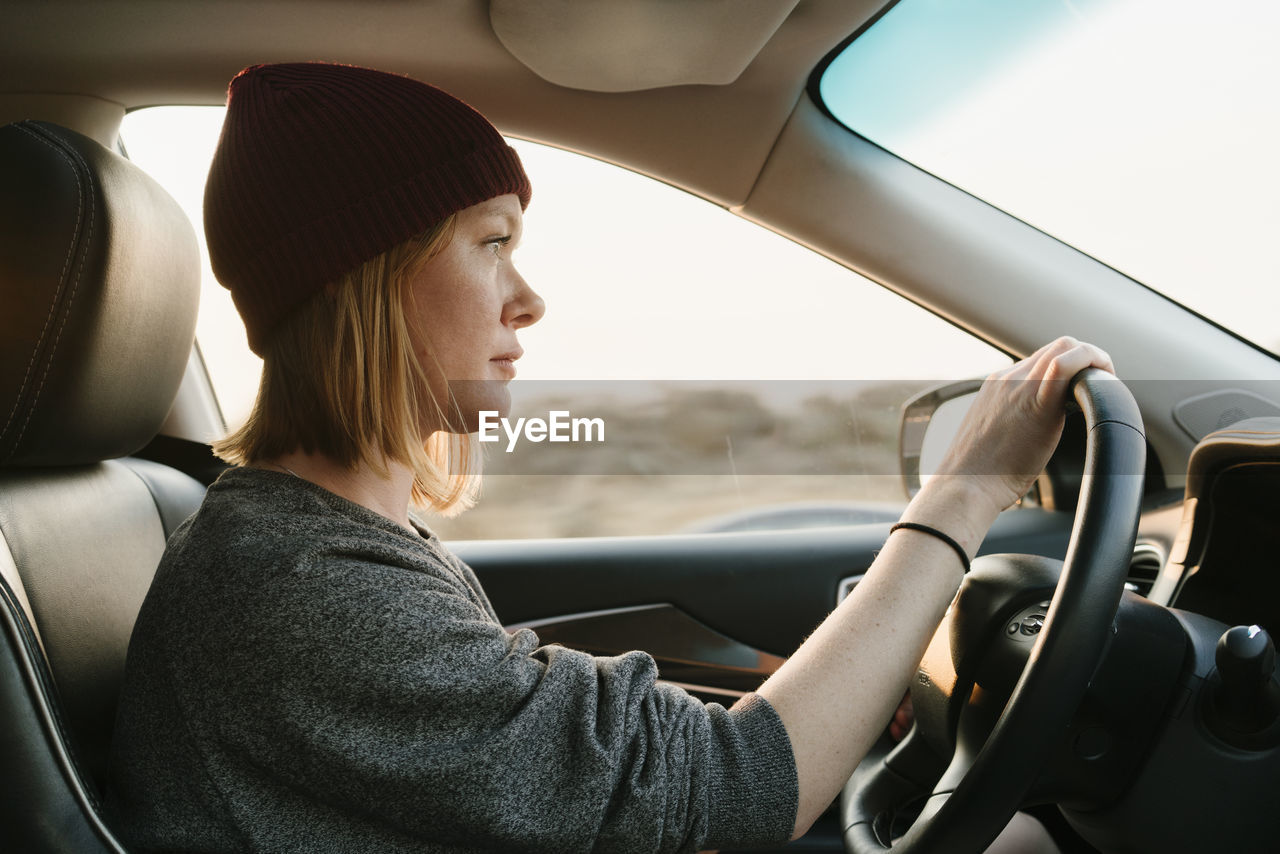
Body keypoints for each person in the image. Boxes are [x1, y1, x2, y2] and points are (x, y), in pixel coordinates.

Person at [106, 62, 1111, 853]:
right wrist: (962, 488)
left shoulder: (322, 541)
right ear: (365, 277)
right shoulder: (304, 589)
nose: (527, 297)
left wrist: (851, 685)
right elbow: (748, 781)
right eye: (490, 242)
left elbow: (568, 753)